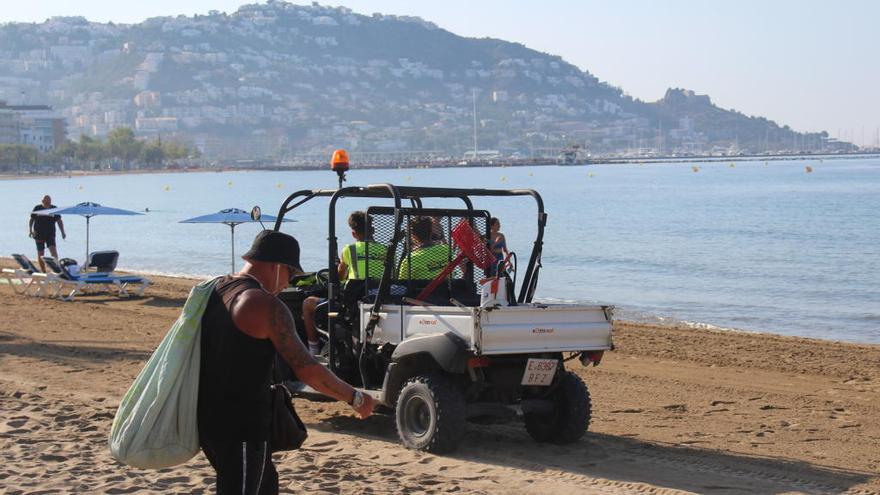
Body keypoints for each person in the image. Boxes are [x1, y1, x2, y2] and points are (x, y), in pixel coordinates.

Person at [198, 229, 375, 495]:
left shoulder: (219, 287)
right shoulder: (264, 304)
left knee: (265, 485)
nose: (287, 283)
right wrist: (354, 397)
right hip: (241, 426)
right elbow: (308, 370)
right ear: (278, 266)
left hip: (210, 416)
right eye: (291, 275)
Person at [301, 211, 386, 355]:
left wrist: (337, 266)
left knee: (308, 303)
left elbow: (339, 277)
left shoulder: (349, 250)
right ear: (373, 230)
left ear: (353, 234)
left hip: (352, 303)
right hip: (379, 299)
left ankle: (313, 349)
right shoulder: (385, 250)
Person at [29, 195, 66, 273]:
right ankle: (43, 271)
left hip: (50, 234)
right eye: (46, 202)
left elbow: (59, 221)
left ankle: (57, 270)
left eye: (49, 202)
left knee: (53, 252)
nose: (47, 203)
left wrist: (62, 232)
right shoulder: (37, 208)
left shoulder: (54, 208)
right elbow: (31, 219)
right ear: (42, 201)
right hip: (38, 234)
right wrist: (30, 230)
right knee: (40, 254)